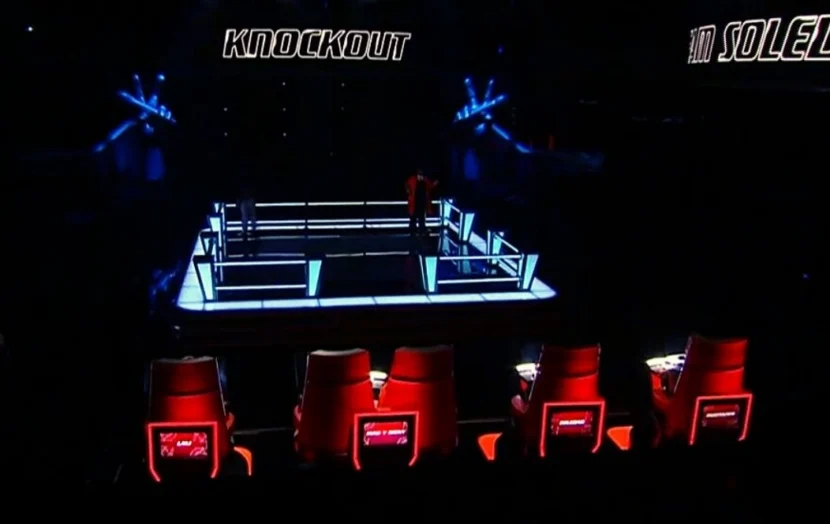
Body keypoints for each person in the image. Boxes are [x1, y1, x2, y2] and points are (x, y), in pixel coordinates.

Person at [405, 169, 438, 235]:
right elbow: (406, 184)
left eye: (421, 175)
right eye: (419, 175)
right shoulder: (412, 179)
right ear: (417, 175)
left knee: (421, 218)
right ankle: (412, 231)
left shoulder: (425, 180)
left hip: (422, 203)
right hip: (414, 203)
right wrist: (407, 189)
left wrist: (434, 184)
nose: (420, 177)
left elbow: (430, 186)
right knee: (413, 218)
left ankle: (421, 230)